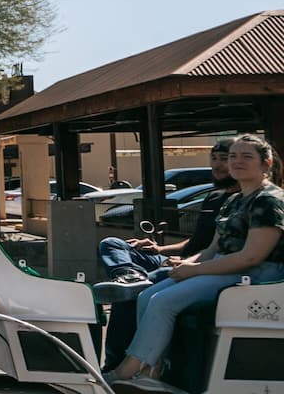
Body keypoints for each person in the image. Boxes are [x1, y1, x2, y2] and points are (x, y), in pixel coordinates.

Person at [106, 134, 284, 390]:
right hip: (226, 267)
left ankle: (127, 371)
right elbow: (213, 249)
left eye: (247, 156)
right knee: (146, 295)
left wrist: (196, 270)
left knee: (163, 302)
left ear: (266, 164)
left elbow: (252, 257)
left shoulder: (269, 200)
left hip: (257, 276)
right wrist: (186, 266)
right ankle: (153, 372)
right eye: (233, 156)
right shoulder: (233, 200)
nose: (237, 161)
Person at [93, 138, 236, 370]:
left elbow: (223, 250)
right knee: (112, 244)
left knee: (134, 297)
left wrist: (187, 262)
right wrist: (160, 249)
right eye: (215, 159)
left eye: (226, 159)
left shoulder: (252, 201)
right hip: (180, 259)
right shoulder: (214, 197)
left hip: (199, 265)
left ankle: (120, 365)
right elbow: (197, 241)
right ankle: (129, 276)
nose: (218, 165)